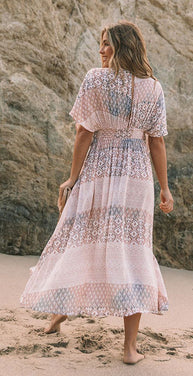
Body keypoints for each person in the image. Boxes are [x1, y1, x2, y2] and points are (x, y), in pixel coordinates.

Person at [20, 20, 174, 365]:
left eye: (106, 44)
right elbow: (156, 141)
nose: (101, 51)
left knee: (82, 237)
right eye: (101, 44)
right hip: (136, 176)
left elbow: (83, 134)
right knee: (129, 249)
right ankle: (122, 345)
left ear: (122, 47)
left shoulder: (95, 79)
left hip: (100, 170)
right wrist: (163, 188)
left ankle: (72, 321)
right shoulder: (154, 88)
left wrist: (72, 179)